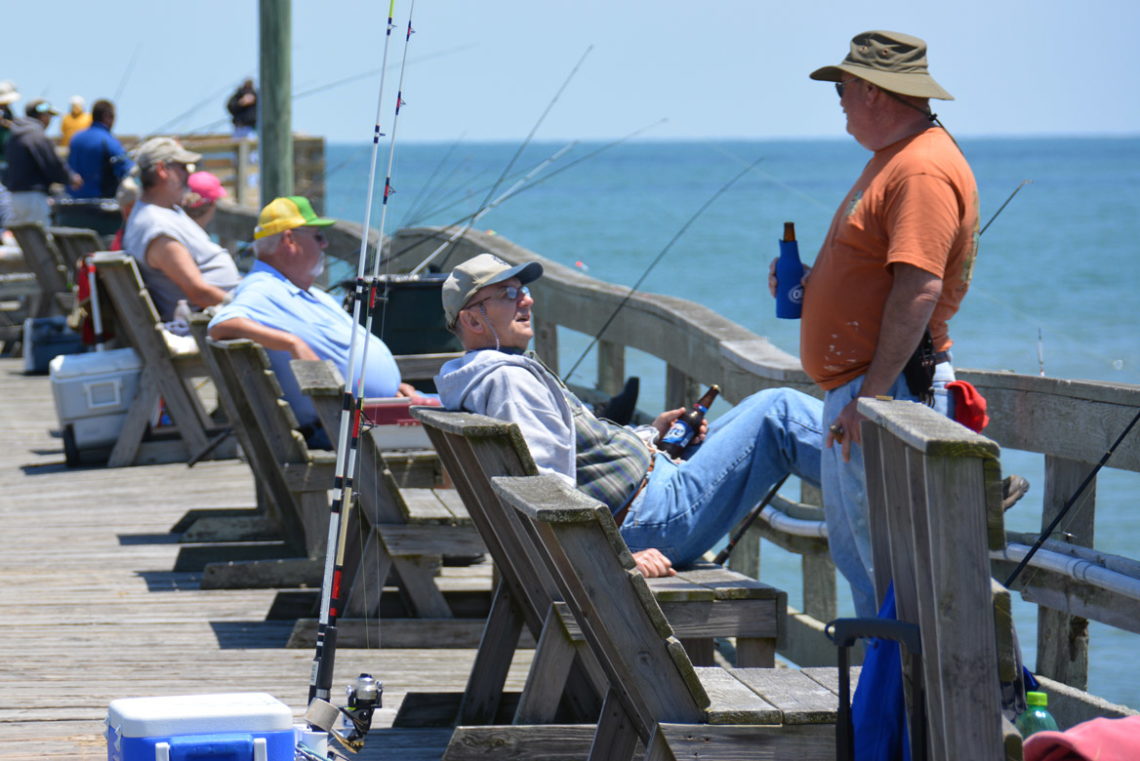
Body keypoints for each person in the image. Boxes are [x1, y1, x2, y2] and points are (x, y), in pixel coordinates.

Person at [436, 253, 824, 578]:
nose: (527, 301)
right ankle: (875, 474)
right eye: (509, 293)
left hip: (650, 494)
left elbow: (568, 460)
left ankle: (867, 473)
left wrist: (650, 435)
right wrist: (614, 560)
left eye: (524, 290)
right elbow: (545, 490)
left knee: (768, 405)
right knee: (781, 414)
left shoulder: (488, 374)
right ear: (472, 320)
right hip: (650, 521)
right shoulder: (508, 382)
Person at [773, 31, 979, 617]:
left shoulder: (919, 169)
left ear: (873, 90)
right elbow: (887, 276)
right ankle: (883, 702)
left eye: (842, 86)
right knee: (866, 567)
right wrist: (818, 285)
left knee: (890, 578)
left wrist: (874, 396)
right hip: (866, 392)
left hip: (888, 392)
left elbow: (920, 288)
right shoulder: (895, 160)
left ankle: (898, 706)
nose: (837, 97)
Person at [208, 196, 417, 440]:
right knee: (464, 423)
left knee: (457, 412)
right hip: (349, 432)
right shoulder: (263, 289)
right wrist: (293, 343)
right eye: (318, 237)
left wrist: (391, 388)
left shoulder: (305, 291)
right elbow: (221, 324)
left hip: (378, 415)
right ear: (289, 239)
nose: (325, 244)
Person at [123, 137, 240, 320]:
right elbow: (198, 293)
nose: (189, 175)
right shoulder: (156, 226)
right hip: (211, 324)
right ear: (162, 170)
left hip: (220, 315)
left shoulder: (163, 212)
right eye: (184, 168)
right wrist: (248, 309)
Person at [3, 99, 81, 227]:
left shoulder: (14, 135)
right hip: (33, 199)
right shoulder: (36, 135)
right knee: (41, 241)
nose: (49, 120)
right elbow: (53, 164)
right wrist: (71, 178)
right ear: (41, 115)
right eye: (48, 115)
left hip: (14, 197)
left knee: (24, 241)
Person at [67, 99, 133, 199]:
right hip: (99, 206)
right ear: (106, 116)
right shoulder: (107, 140)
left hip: (72, 204)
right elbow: (127, 169)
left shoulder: (75, 138)